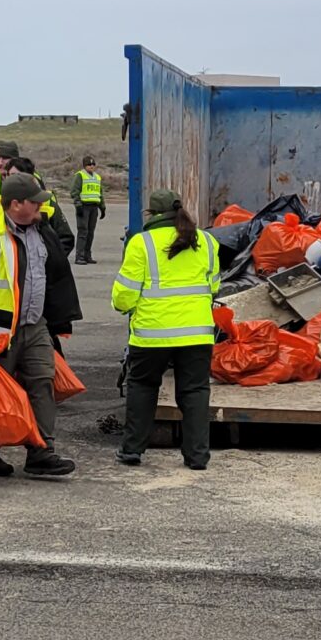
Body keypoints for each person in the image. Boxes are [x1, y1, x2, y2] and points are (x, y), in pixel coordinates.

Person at [0, 173, 80, 479]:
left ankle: (41, 452)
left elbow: (55, 275)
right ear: (15, 204)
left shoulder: (42, 231)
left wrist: (58, 317)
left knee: (42, 382)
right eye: (34, 202)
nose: (41, 206)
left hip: (35, 325)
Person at [113, 190, 219, 470]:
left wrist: (124, 307)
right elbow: (214, 286)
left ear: (151, 214)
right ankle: (197, 457)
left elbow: (124, 294)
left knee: (143, 386)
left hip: (152, 333)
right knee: (195, 391)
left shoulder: (141, 243)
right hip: (197, 331)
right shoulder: (207, 241)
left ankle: (132, 450)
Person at [70, 155, 107, 265]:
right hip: (83, 207)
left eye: (93, 164)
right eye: (89, 164)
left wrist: (102, 207)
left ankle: (87, 255)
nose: (91, 166)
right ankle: (79, 256)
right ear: (84, 166)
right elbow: (74, 191)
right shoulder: (80, 176)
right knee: (83, 232)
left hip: (94, 207)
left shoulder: (97, 177)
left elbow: (99, 194)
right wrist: (78, 205)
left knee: (90, 233)